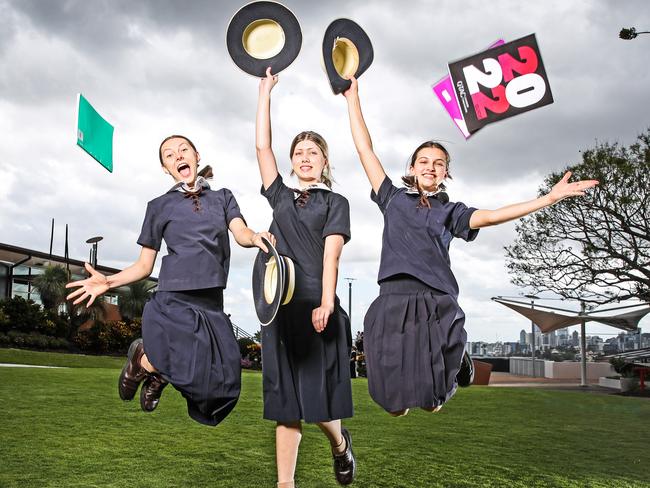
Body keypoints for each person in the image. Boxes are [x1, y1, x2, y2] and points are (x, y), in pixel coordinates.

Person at [342, 76, 598, 416]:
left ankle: (456, 355)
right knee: (395, 408)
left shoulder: (452, 211)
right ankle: (445, 362)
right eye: (424, 161)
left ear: (445, 172)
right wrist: (352, 98)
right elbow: (365, 150)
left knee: (432, 404)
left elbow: (491, 217)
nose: (430, 167)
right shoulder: (391, 199)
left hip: (435, 299)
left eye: (438, 163)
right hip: (393, 297)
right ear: (412, 168)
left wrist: (548, 198)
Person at [66, 135, 273, 426]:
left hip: (211, 302)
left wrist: (255, 237)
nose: (178, 156)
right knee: (183, 363)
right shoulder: (159, 206)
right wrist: (108, 283)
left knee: (221, 388)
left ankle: (153, 367)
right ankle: (148, 362)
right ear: (166, 168)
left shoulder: (223, 197)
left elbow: (240, 232)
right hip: (174, 297)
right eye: (169, 155)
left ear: (196, 155)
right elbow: (144, 265)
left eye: (183, 150)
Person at [256, 68, 355, 488]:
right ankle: (285, 484)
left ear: (324, 161)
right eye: (299, 151)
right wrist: (265, 93)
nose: (304, 156)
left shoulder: (336, 202)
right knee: (285, 407)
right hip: (280, 313)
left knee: (317, 408)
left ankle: (339, 445)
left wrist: (328, 303)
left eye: (313, 151)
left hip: (318, 307)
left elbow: (331, 255)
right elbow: (263, 146)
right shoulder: (279, 197)